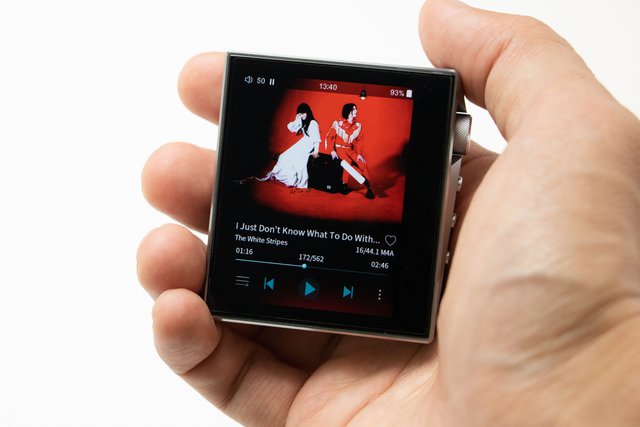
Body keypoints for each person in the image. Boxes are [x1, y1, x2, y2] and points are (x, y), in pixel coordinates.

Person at [137, 0, 640, 425]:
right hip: (330, 160)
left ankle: (361, 188)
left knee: (347, 172)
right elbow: (331, 144)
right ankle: (353, 187)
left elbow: (350, 144)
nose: (353, 114)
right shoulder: (327, 126)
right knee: (317, 173)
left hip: (344, 166)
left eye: (354, 112)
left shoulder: (346, 126)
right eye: (351, 111)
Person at [260, 102, 320, 188]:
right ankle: (281, 176)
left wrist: (316, 150)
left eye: (303, 113)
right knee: (283, 157)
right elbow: (291, 127)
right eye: (300, 114)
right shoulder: (303, 122)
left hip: (309, 145)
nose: (302, 116)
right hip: (303, 143)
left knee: (296, 160)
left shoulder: (313, 123)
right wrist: (297, 119)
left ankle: (291, 181)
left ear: (307, 112)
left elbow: (316, 138)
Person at [326, 103, 375, 199]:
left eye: (356, 109)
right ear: (348, 111)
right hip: (339, 149)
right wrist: (332, 150)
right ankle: (344, 184)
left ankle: (369, 187)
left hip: (350, 150)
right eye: (354, 109)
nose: (357, 111)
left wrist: (359, 154)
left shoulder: (358, 125)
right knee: (347, 164)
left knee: (362, 164)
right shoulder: (337, 123)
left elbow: (359, 141)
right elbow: (329, 137)